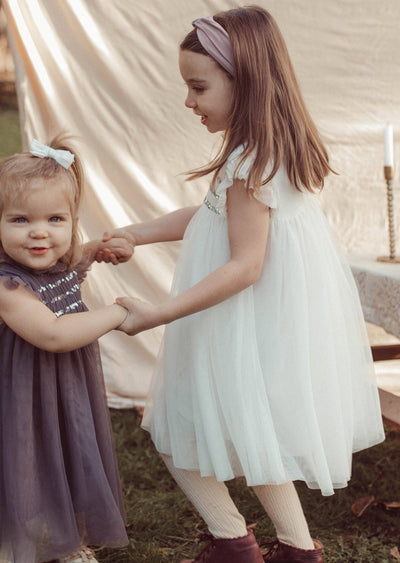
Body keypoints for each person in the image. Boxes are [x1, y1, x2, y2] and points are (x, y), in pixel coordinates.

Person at [101, 6, 385, 562]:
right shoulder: (261, 152)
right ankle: (296, 550)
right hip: (256, 323)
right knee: (252, 436)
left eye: (198, 87)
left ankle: (233, 541)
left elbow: (244, 265)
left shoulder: (253, 163)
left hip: (239, 321)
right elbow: (210, 214)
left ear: (245, 81)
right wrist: (138, 233)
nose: (189, 101)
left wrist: (155, 314)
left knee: (173, 424)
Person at [0, 136, 133, 563]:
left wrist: (94, 251)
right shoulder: (8, 284)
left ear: (73, 222)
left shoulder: (55, 263)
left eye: (55, 219)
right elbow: (54, 334)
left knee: (68, 454)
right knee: (22, 464)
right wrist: (119, 314)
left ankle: (67, 539)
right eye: (20, 220)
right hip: (17, 397)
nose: (40, 232)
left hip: (63, 392)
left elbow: (69, 268)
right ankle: (13, 541)